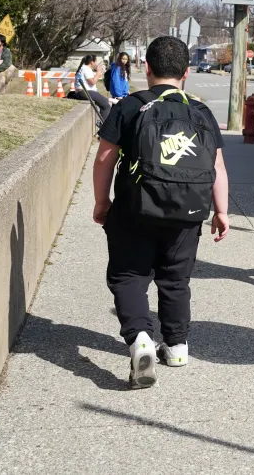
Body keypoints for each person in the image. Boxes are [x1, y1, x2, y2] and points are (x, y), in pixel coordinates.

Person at [92, 35, 230, 389]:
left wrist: (101, 201)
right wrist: (221, 211)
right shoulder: (200, 113)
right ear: (186, 73)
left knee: (128, 276)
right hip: (188, 213)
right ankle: (178, 345)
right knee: (175, 278)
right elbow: (217, 167)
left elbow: (105, 158)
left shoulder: (130, 106)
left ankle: (140, 338)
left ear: (147, 69)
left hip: (134, 209)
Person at [67, 55, 111, 122]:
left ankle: (102, 122)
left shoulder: (83, 68)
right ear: (91, 62)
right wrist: (98, 73)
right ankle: (104, 126)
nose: (96, 64)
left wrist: (98, 73)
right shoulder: (86, 69)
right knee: (106, 105)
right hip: (85, 92)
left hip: (81, 91)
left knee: (105, 100)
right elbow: (92, 82)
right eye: (96, 62)